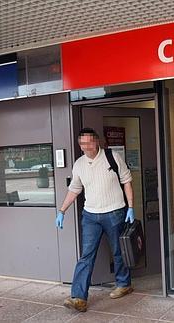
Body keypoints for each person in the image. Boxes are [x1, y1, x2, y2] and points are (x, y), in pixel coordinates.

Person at [55, 128, 135, 312]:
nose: (86, 146)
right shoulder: (79, 164)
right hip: (90, 216)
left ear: (96, 141)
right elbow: (74, 189)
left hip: (115, 212)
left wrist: (130, 207)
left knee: (118, 251)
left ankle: (124, 284)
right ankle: (78, 298)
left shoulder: (112, 156)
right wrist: (62, 210)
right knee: (86, 256)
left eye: (89, 142)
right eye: (82, 143)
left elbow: (127, 181)